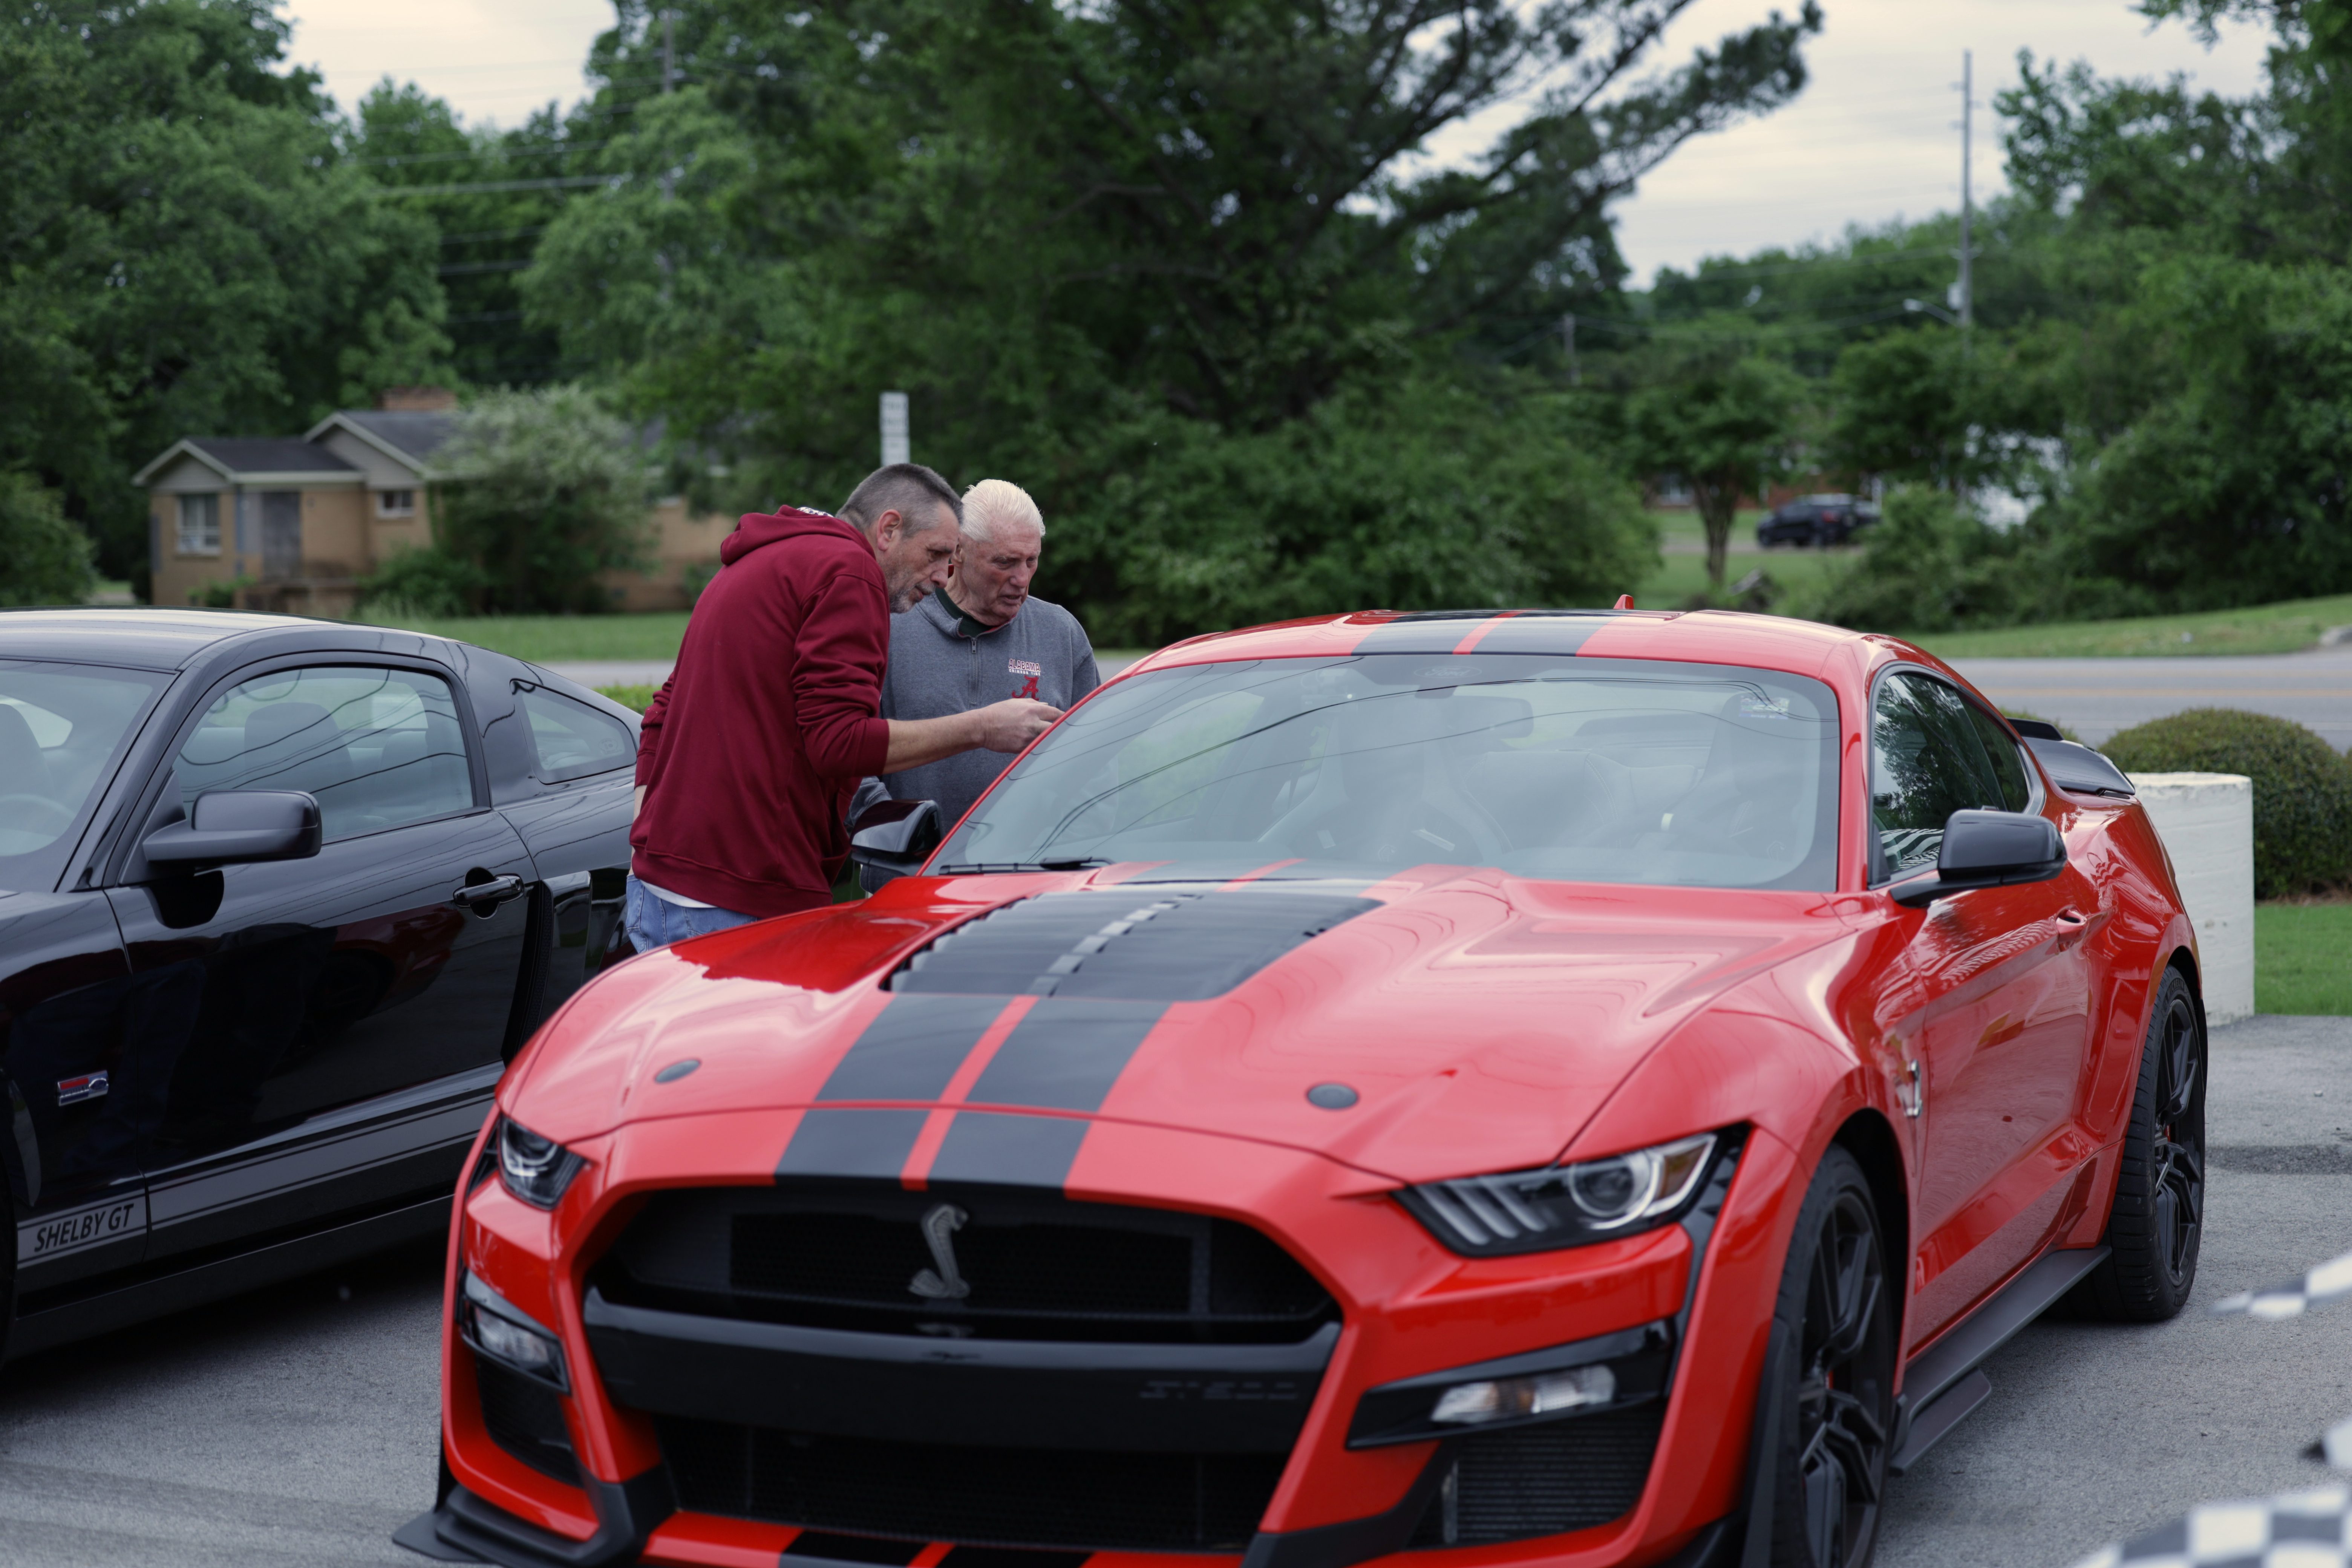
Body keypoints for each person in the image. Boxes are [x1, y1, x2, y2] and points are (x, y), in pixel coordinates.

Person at [626, 464, 1060, 951]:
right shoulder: (850, 573)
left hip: (662, 885)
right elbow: (836, 743)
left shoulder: (763, 557)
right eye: (937, 554)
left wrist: (649, 820)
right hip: (735, 898)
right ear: (889, 529)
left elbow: (664, 704)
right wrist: (983, 727)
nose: (943, 577)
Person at [853, 478, 1099, 887]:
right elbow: (846, 752)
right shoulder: (891, 625)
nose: (1022, 579)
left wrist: (1071, 854)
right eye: (1004, 562)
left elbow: (1100, 763)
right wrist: (897, 839)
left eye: (1031, 561)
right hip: (907, 885)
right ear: (959, 551)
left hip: (1030, 887)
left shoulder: (1061, 634)